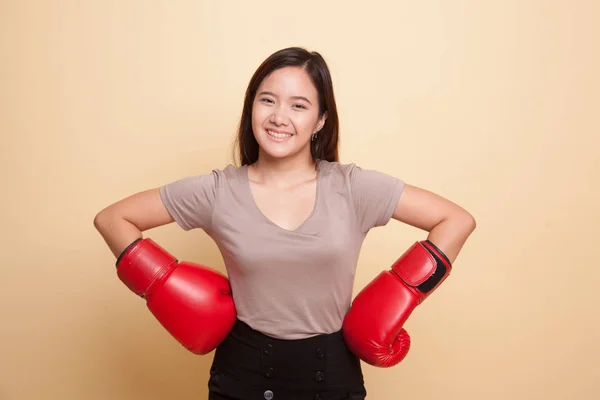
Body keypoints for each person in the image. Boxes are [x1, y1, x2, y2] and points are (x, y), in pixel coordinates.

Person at [94, 47, 476, 400]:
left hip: (333, 378)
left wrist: (401, 290)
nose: (279, 117)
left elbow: (455, 220)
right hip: (241, 377)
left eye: (299, 105)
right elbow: (113, 220)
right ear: (251, 109)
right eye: (268, 100)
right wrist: (161, 286)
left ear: (321, 120)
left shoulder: (353, 188)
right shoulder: (217, 191)